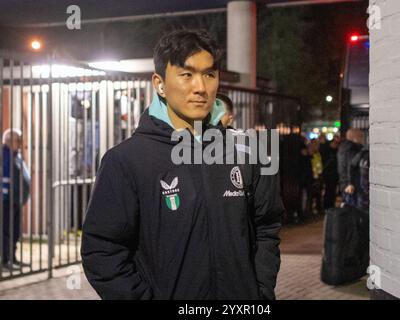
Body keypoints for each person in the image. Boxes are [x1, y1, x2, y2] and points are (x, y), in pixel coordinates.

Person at [81, 29, 284, 300]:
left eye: (209, 75)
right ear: (160, 83)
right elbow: (103, 251)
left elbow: (267, 227)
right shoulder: (126, 161)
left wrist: (260, 292)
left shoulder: (247, 153)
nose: (201, 87)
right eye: (186, 74)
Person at [2, 129, 31, 270]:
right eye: (18, 140)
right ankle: (5, 260)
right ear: (8, 141)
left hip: (16, 200)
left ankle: (12, 258)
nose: (20, 144)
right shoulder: (4, 156)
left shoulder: (16, 156)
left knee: (14, 230)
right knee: (5, 230)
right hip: (6, 200)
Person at [337, 128, 364, 204]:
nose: (362, 138)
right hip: (351, 185)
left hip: (344, 182)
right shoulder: (352, 148)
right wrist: (350, 183)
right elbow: (351, 166)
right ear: (355, 138)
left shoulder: (343, 147)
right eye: (360, 136)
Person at [350, 146, 370, 211]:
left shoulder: (362, 154)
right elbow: (352, 166)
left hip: (363, 188)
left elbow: (352, 166)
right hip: (362, 189)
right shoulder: (362, 154)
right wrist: (351, 183)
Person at [322, 137, 339, 210]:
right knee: (328, 191)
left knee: (332, 191)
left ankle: (331, 205)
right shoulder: (327, 151)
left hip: (334, 175)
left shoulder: (336, 151)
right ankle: (327, 206)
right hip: (328, 175)